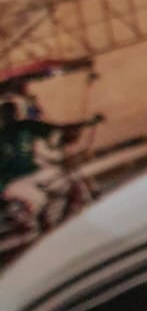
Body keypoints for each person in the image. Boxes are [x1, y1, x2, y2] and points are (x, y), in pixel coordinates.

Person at [0, 99, 100, 231]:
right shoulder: (3, 136)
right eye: (6, 113)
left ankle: (56, 219)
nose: (10, 116)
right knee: (39, 199)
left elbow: (57, 128)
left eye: (11, 112)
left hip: (32, 172)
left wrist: (88, 123)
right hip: (10, 182)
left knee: (63, 178)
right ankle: (33, 227)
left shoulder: (26, 126)